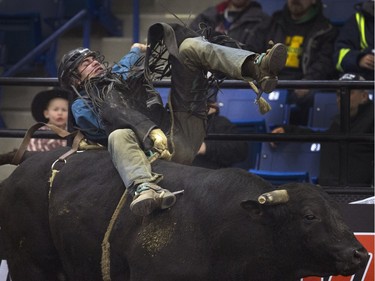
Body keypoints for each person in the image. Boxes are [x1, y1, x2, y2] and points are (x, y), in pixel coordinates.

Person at [57, 22, 287, 216]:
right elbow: (111, 116)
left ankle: (254, 65)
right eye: (85, 65)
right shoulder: (81, 106)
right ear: (75, 81)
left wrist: (135, 56)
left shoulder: (123, 74)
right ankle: (144, 188)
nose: (94, 63)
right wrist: (135, 53)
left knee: (187, 47)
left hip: (178, 132)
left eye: (92, 59)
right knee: (118, 134)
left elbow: (119, 76)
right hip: (150, 155)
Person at [271, 73, 374, 186]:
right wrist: (288, 131)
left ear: (364, 96)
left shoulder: (371, 119)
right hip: (331, 191)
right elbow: (322, 136)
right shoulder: (339, 122)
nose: (341, 98)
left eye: (349, 93)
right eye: (338, 94)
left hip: (360, 193)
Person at [248, 0, 339, 126]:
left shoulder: (325, 29)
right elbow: (253, 51)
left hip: (301, 86)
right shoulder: (272, 23)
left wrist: (307, 83)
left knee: (311, 97)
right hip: (269, 81)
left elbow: (324, 63)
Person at [192, 97, 248, 169]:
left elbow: (241, 150)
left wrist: (205, 147)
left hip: (208, 174)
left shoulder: (220, 122)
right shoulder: (186, 124)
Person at [189, 0, 270, 50]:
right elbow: (189, 42)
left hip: (243, 76)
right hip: (206, 75)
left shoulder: (264, 22)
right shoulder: (207, 16)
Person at [333, 0, 374, 81]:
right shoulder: (356, 21)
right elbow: (339, 57)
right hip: (365, 82)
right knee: (351, 88)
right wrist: (358, 59)